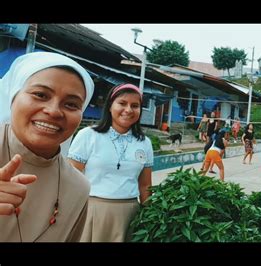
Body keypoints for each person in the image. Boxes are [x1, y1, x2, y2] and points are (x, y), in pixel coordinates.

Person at [0, 51, 94, 242]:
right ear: (13, 95)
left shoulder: (78, 187)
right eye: (40, 95)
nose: (53, 111)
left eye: (71, 104)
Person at [68, 83, 154, 242]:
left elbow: (145, 185)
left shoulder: (144, 143)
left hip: (131, 214)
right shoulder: (88, 135)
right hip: (92, 211)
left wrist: (150, 219)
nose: (128, 109)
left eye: (135, 105)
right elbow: (71, 180)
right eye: (122, 103)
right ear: (109, 106)